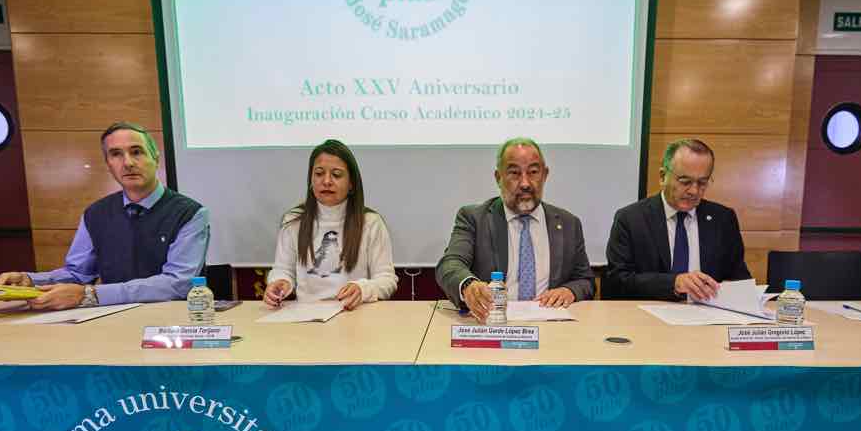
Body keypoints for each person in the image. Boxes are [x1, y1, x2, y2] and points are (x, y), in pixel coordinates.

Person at [0, 122, 209, 309]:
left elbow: (177, 283)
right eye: (116, 154)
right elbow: (78, 274)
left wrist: (92, 295)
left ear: (156, 157)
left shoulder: (190, 213)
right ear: (108, 165)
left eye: (137, 151)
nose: (128, 163)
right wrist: (29, 280)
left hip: (169, 324)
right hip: (108, 320)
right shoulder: (95, 213)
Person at [436, 137, 593, 321]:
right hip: (494, 322)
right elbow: (450, 264)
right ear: (498, 177)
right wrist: (469, 285)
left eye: (533, 172)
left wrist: (569, 290)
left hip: (552, 323)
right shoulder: (475, 218)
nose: (525, 183)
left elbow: (586, 280)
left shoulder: (568, 223)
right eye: (514, 173)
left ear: (545, 175)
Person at [605, 137, 750, 301]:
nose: (694, 191)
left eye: (702, 183)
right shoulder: (631, 219)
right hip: (648, 318)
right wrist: (673, 283)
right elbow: (616, 283)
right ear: (662, 176)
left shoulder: (723, 220)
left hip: (709, 318)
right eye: (685, 181)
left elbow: (739, 278)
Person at [262, 140, 397, 310]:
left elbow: (387, 279)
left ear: (351, 184)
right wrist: (280, 282)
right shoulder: (293, 220)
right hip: (305, 317)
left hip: (354, 315)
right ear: (310, 180)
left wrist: (363, 289)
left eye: (337, 175)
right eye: (319, 173)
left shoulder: (370, 222)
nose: (326, 181)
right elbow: (283, 269)